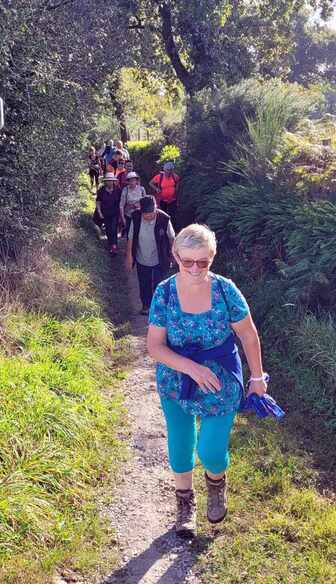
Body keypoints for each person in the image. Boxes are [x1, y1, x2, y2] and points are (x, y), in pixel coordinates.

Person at [147, 224, 267, 539]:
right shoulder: (165, 292)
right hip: (177, 380)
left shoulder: (226, 290)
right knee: (180, 443)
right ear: (175, 255)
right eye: (188, 261)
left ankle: (216, 486)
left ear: (212, 257)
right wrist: (191, 368)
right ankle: (185, 504)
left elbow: (248, 335)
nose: (196, 268)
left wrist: (257, 377)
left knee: (212, 451)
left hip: (221, 381)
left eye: (204, 261)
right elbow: (155, 346)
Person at [126, 196, 175, 315]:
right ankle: (146, 306)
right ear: (141, 211)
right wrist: (129, 256)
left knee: (159, 284)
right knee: (144, 283)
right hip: (141, 257)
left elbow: (172, 238)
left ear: (156, 209)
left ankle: (158, 307)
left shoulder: (164, 219)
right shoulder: (136, 217)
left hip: (160, 257)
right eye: (145, 214)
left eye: (151, 213)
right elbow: (131, 238)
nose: (148, 216)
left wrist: (173, 254)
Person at [95, 173, 121, 255]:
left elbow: (121, 203)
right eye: (108, 181)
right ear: (105, 182)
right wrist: (99, 212)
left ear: (113, 181)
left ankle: (114, 246)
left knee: (113, 229)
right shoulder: (101, 190)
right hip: (105, 214)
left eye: (111, 181)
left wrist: (121, 214)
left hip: (115, 213)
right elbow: (98, 202)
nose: (109, 182)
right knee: (108, 230)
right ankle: (111, 245)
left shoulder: (118, 190)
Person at [149, 161, 180, 228]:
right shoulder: (159, 177)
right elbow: (150, 183)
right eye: (168, 170)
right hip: (162, 200)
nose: (169, 172)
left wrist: (176, 189)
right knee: (163, 215)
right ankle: (163, 229)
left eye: (171, 170)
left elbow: (178, 182)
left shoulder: (175, 177)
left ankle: (173, 230)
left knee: (173, 215)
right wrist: (156, 189)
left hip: (172, 200)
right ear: (164, 170)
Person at [119, 171, 146, 237]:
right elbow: (121, 205)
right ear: (128, 181)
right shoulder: (125, 190)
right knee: (129, 234)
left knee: (139, 233)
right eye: (130, 180)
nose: (132, 182)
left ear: (137, 180)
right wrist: (123, 218)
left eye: (134, 180)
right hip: (128, 215)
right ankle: (130, 246)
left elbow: (145, 202)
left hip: (140, 215)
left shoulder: (141, 189)